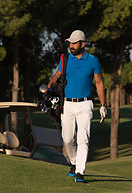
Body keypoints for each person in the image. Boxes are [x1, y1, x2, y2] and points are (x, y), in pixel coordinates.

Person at [47, 30, 107, 183]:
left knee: (83, 139)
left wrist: (103, 105)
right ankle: (74, 163)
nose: (71, 46)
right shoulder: (65, 59)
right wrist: (49, 88)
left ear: (83, 44)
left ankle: (80, 172)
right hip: (67, 104)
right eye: (70, 43)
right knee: (67, 139)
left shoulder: (93, 61)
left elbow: (99, 83)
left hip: (85, 104)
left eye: (74, 43)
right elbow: (56, 75)